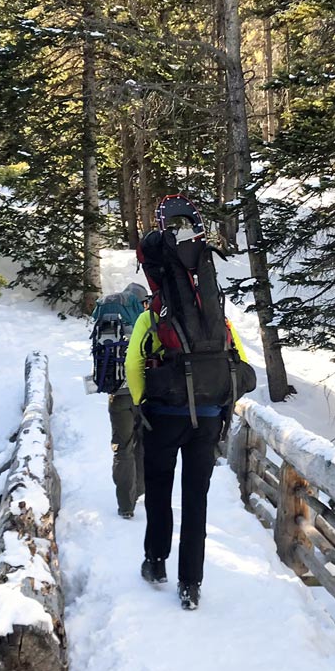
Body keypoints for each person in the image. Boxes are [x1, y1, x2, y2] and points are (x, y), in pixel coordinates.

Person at [125, 220, 250, 610]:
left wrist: (143, 404)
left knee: (160, 491)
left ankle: (156, 561)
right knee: (197, 500)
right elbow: (240, 363)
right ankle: (190, 584)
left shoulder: (153, 316)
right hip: (209, 419)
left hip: (164, 417)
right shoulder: (219, 319)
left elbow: (132, 366)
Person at [91, 283, 149, 519]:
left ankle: (126, 504)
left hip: (117, 395)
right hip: (144, 394)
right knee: (143, 444)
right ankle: (138, 490)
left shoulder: (108, 320)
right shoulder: (143, 321)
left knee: (122, 449)